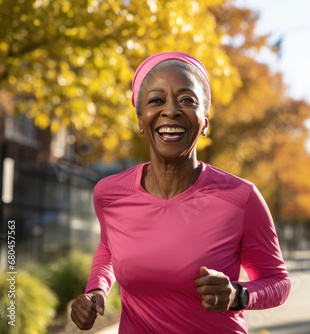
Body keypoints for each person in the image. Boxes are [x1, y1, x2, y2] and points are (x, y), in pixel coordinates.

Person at [70, 51, 291, 333]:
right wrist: (96, 291)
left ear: (205, 122)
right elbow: (109, 248)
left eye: (187, 100)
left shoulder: (240, 198)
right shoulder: (110, 194)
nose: (171, 110)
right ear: (141, 120)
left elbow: (278, 282)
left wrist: (238, 295)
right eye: (156, 100)